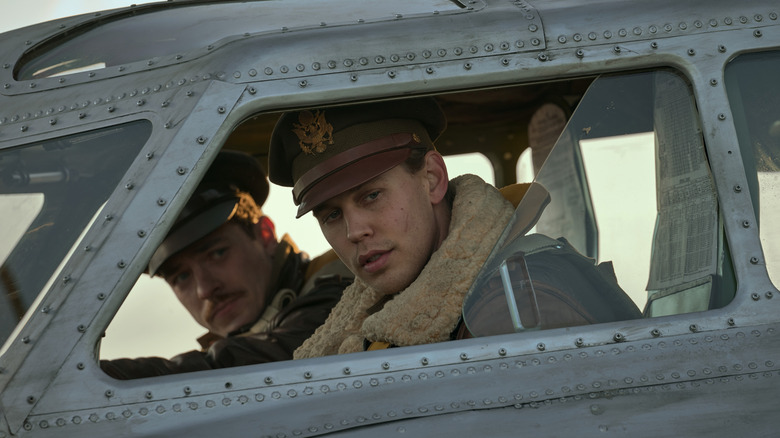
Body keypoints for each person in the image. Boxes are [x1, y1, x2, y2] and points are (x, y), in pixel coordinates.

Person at [268, 98, 641, 358]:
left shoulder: (518, 306)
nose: (353, 231)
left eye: (371, 196)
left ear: (432, 178)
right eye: (331, 215)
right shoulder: (386, 313)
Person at [100, 151, 351, 379]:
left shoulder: (346, 284)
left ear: (264, 235)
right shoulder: (239, 342)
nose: (205, 289)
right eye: (182, 277)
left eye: (217, 253)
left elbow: (280, 352)